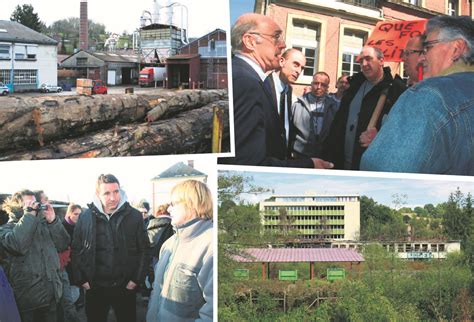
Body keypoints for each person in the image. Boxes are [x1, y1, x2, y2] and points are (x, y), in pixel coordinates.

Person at [361, 15, 474, 175]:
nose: (422, 57)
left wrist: (383, 145)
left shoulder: (428, 96)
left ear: (456, 49)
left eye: (428, 47)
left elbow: (383, 175)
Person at [219, 13, 333, 169]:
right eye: (276, 37)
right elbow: (247, 164)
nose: (283, 44)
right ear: (250, 41)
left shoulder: (246, 77)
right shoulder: (246, 83)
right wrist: (309, 165)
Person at [71, 174, 149, 322]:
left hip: (125, 287)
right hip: (95, 287)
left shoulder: (134, 216)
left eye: (116, 191)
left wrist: (135, 280)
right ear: (97, 194)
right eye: (107, 193)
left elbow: (144, 250)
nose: (113, 197)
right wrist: (82, 280)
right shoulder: (85, 217)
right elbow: (76, 250)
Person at [322, 46, 406, 170]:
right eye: (361, 61)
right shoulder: (353, 86)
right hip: (342, 165)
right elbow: (338, 124)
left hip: (371, 168)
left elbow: (401, 131)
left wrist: (381, 138)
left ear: (381, 61)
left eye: (368, 59)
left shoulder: (395, 90)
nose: (364, 64)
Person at [146, 180, 213, 322]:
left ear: (192, 204)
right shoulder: (168, 244)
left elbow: (212, 313)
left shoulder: (211, 245)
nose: (169, 209)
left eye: (173, 204)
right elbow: (156, 291)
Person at [0, 189, 70, 322]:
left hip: (52, 298)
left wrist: (53, 221)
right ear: (16, 205)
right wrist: (30, 215)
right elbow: (18, 245)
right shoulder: (5, 230)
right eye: (30, 203)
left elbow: (63, 245)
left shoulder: (44, 226)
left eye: (35, 202)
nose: (34, 206)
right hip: (27, 305)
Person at [264, 48, 306, 156]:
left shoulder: (289, 90)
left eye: (302, 68)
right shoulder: (263, 86)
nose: (298, 71)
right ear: (282, 62)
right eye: (296, 65)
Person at [290, 71, 339, 158]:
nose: (319, 87)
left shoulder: (334, 107)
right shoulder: (297, 104)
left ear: (327, 87)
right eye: (316, 83)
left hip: (324, 155)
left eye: (323, 85)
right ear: (311, 84)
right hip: (300, 155)